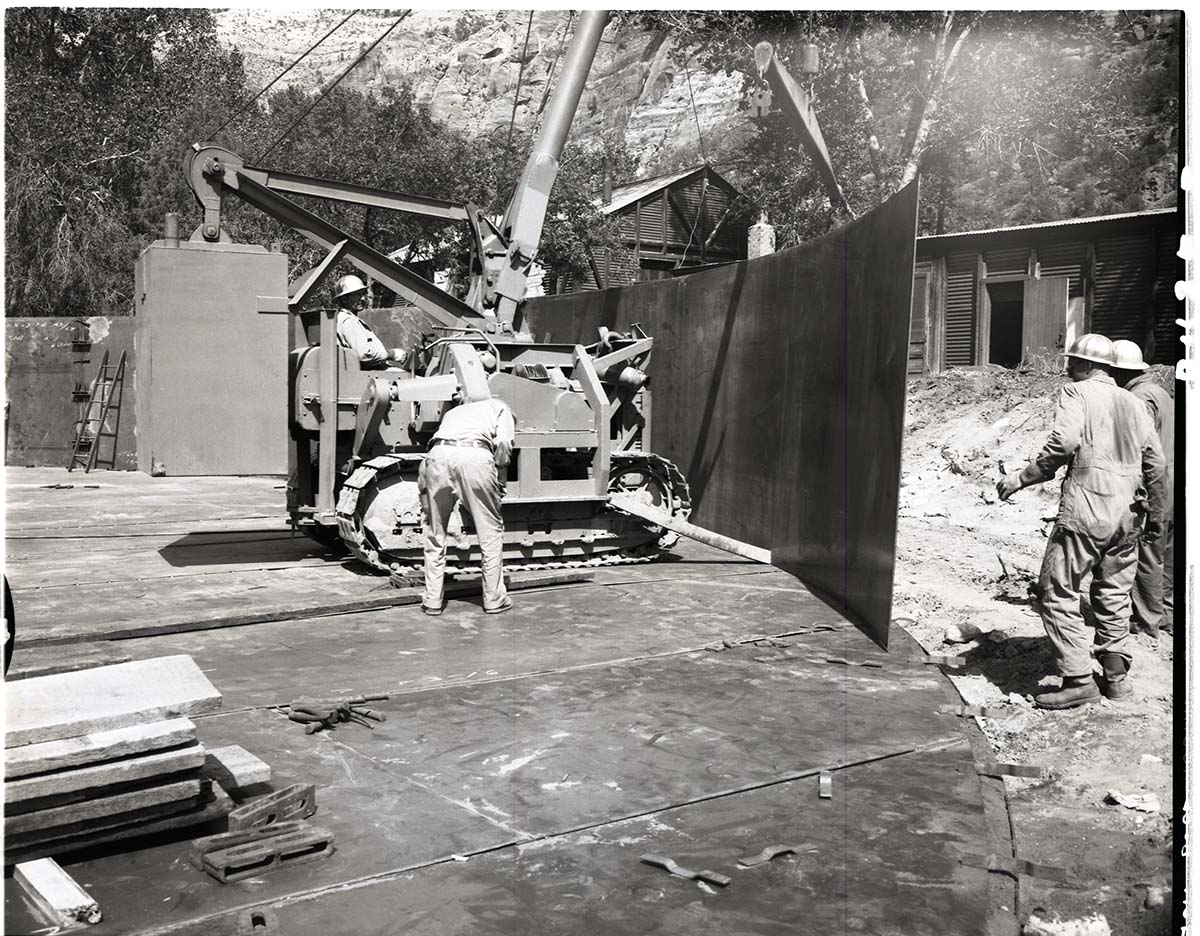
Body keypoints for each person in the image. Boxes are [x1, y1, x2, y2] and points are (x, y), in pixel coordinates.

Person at [997, 333, 1166, 710]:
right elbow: (1156, 463)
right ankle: (1116, 677)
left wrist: (1021, 478)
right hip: (1129, 513)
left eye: (1072, 363)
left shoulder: (1077, 394)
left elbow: (1064, 442)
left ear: (1088, 365)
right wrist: (1156, 513)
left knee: (1056, 590)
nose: (1068, 370)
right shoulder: (1133, 401)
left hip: (1088, 508)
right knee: (1113, 593)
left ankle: (1078, 679)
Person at [418, 392, 515, 616]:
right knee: (490, 533)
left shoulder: (453, 412)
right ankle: (493, 599)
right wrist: (500, 478)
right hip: (474, 456)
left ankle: (432, 600)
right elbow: (502, 442)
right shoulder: (500, 407)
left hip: (437, 455)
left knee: (436, 533)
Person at [1111, 339, 1174, 637]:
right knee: (1168, 552)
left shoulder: (1137, 399)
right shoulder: (1161, 392)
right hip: (1175, 480)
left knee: (1148, 552)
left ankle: (1147, 621)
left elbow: (1143, 451)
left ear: (1120, 371)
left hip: (1156, 484)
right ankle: (1167, 614)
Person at [333, 275, 408, 369]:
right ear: (344, 298)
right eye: (357, 295)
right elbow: (365, 354)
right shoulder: (348, 321)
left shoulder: (339, 318)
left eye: (363, 294)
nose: (363, 298)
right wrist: (392, 354)